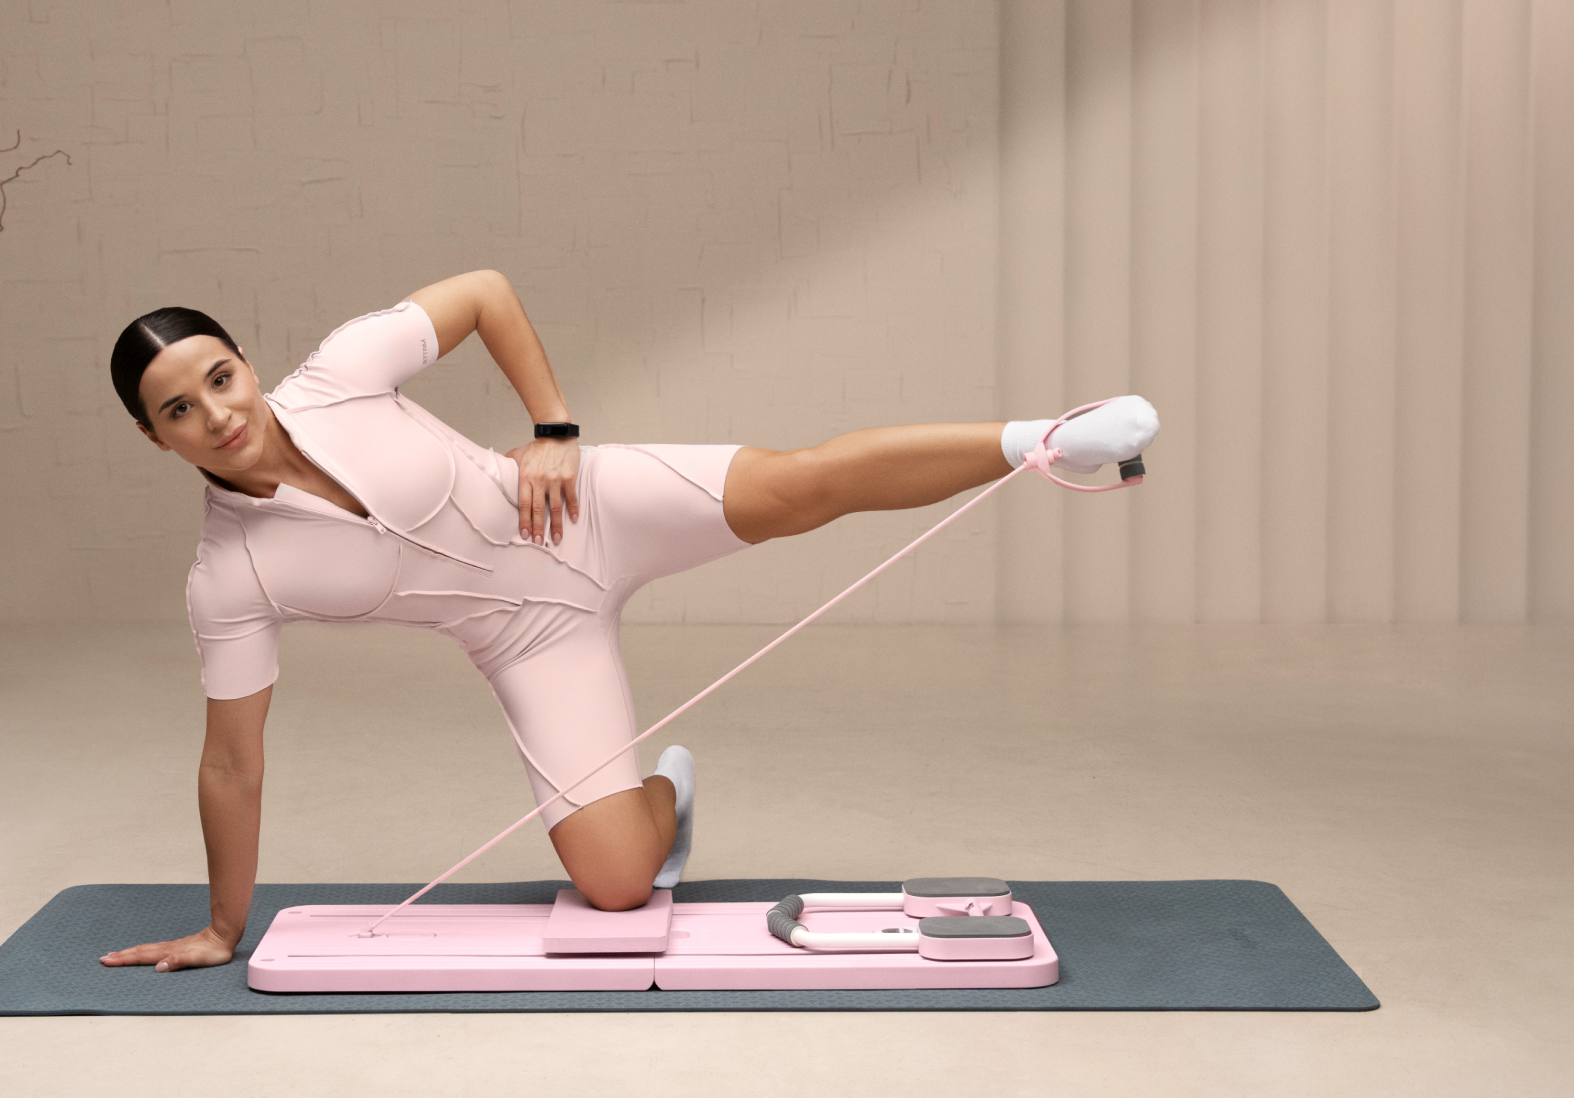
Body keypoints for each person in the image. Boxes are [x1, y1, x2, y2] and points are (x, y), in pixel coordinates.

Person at [99, 270, 1159, 972]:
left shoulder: (339, 374)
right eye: (180, 410)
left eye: (220, 378)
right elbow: (231, 764)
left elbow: (482, 293)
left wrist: (553, 429)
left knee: (803, 484)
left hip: (590, 507)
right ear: (158, 440)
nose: (221, 415)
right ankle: (666, 796)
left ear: (244, 361)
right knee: (613, 886)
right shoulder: (227, 573)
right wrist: (222, 927)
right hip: (531, 641)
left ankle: (1052, 436)